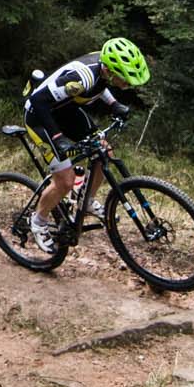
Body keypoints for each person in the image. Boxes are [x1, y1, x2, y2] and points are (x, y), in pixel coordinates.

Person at [22, 37, 150, 253]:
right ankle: (38, 222)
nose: (127, 85)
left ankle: (86, 200)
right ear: (110, 70)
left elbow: (99, 87)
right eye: (125, 79)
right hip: (40, 117)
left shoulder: (102, 70)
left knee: (104, 152)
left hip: (65, 111)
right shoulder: (82, 78)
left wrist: (114, 104)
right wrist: (57, 137)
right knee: (65, 181)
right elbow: (38, 101)